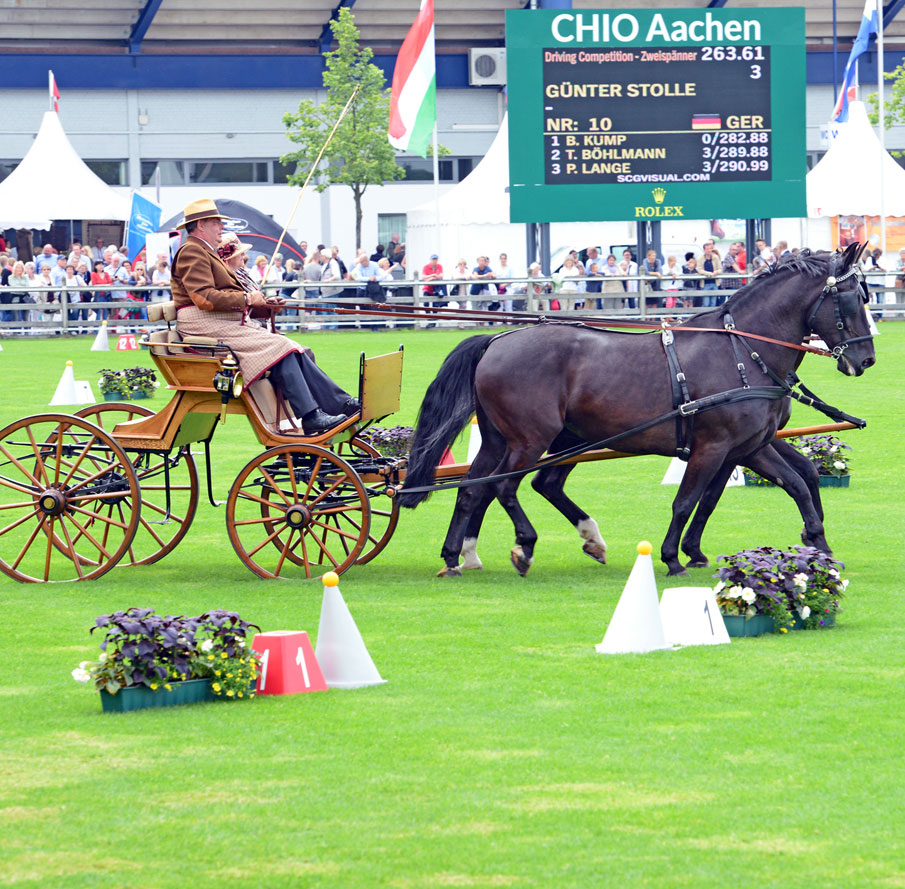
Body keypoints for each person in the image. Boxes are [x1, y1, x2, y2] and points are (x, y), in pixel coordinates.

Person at [169, 201, 357, 435]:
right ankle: (312, 416)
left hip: (222, 321)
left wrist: (263, 305)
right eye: (216, 222)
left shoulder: (205, 250)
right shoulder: (191, 250)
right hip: (203, 325)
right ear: (200, 225)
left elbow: (224, 297)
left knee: (298, 349)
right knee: (281, 346)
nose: (221, 227)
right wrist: (248, 298)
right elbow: (203, 297)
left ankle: (336, 405)